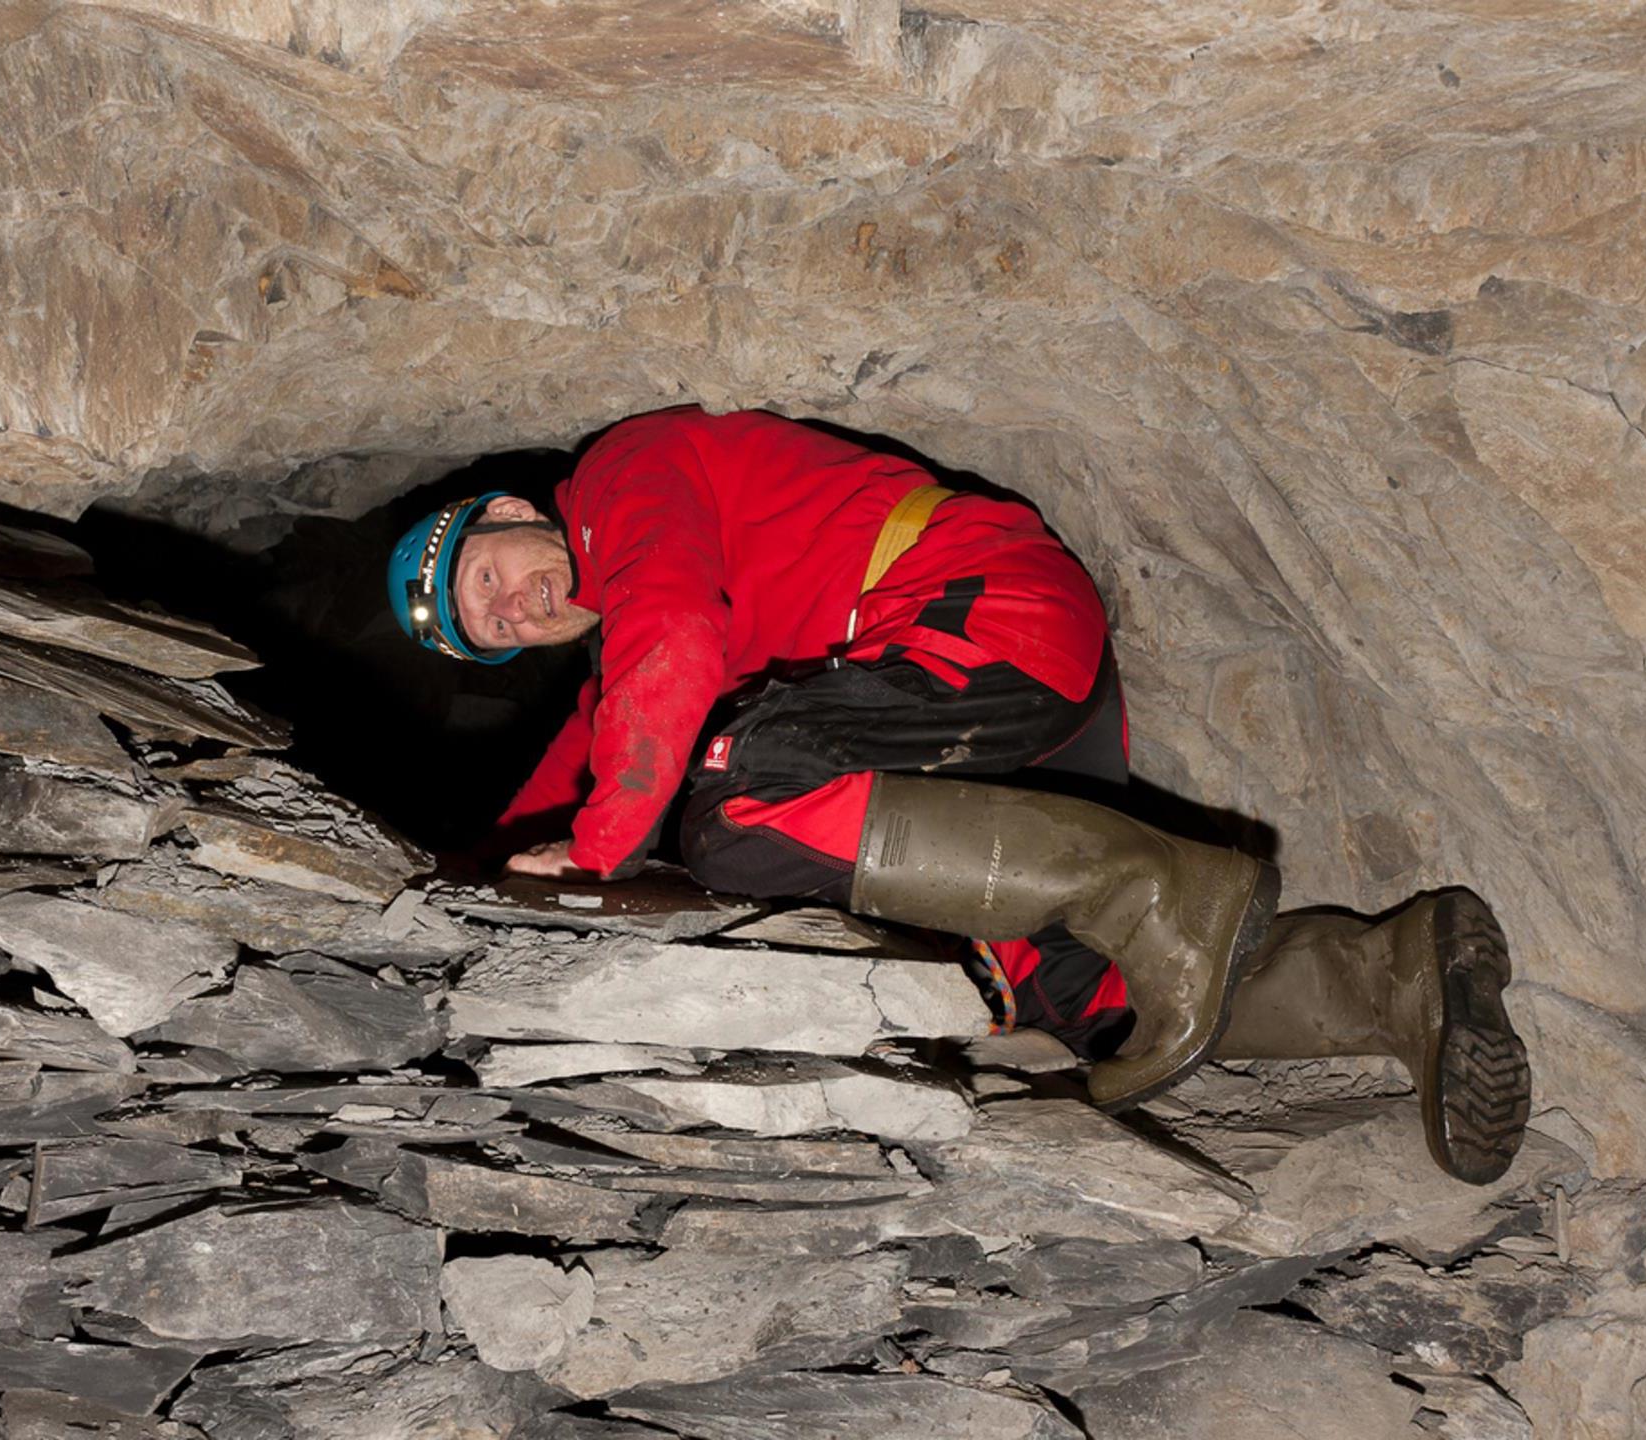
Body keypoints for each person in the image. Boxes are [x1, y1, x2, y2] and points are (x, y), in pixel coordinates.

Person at [389, 407, 1530, 1183]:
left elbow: (672, 651)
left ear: (506, 512)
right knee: (1079, 996)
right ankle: (1399, 980)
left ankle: (1162, 892)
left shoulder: (618, 485)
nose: (515, 606)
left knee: (737, 808)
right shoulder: (616, 660)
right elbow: (580, 770)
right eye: (495, 626)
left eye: (489, 576)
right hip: (1000, 708)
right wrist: (458, 893)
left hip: (972, 614)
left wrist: (599, 854)